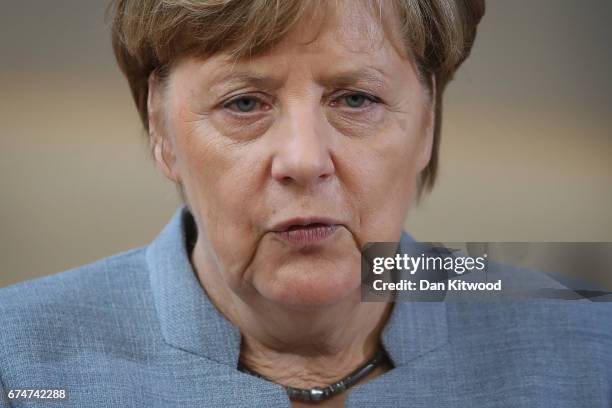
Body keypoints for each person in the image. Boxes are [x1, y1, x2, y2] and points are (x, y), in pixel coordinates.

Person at [1, 1, 610, 407]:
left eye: (355, 99)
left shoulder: (593, 344)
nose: (303, 158)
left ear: (427, 122)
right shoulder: (17, 359)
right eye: (244, 103)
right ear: (161, 131)